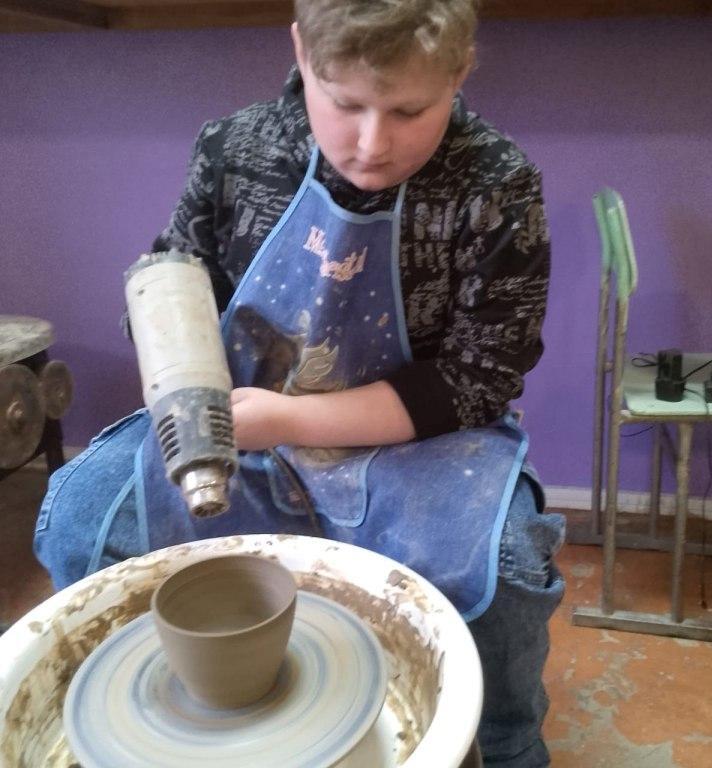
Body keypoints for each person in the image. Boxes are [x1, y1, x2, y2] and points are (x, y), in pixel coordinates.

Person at [34, 1, 565, 765]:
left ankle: (506, 747)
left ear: (460, 72)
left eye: (409, 111)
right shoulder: (236, 151)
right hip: (243, 422)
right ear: (301, 52)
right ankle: (137, 717)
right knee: (80, 517)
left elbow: (477, 381)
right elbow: (171, 287)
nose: (372, 144)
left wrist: (288, 420)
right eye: (345, 103)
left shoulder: (495, 184)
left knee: (506, 569)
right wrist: (183, 373)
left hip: (419, 444)